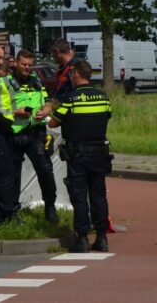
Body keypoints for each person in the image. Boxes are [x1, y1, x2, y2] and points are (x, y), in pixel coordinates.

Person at [47, 61, 112, 253]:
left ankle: (82, 238)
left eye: (71, 74)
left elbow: (53, 122)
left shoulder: (71, 99)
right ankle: (102, 237)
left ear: (76, 75)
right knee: (99, 195)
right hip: (99, 154)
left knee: (79, 196)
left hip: (78, 155)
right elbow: (107, 115)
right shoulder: (103, 97)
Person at [9, 49, 58, 223]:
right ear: (16, 62)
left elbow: (48, 102)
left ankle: (50, 207)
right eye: (23, 64)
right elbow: (0, 109)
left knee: (45, 170)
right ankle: (12, 211)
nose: (26, 68)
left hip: (36, 132)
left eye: (30, 65)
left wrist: (45, 110)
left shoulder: (36, 80)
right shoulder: (6, 82)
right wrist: (17, 112)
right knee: (12, 175)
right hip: (13, 134)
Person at [0, 46, 17, 225]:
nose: (0, 61)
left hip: (4, 129)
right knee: (5, 173)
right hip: (0, 129)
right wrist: (3, 123)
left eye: (2, 58)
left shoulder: (1, 78)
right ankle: (4, 216)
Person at [48, 38, 80, 107]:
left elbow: (76, 95)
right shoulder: (62, 68)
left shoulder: (75, 68)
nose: (52, 57)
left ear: (57, 52)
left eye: (52, 54)